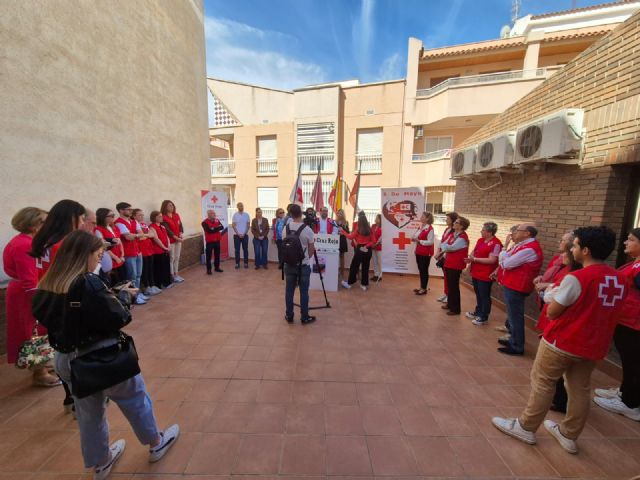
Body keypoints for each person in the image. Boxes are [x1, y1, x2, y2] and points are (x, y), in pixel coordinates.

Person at [32, 230, 179, 479]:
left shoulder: (48, 284)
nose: (99, 260)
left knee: (89, 414)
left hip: (68, 358)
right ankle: (156, 443)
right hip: (102, 356)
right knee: (135, 399)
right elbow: (119, 317)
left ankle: (101, 462)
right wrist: (124, 296)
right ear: (83, 255)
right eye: (98, 255)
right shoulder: (87, 282)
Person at [492, 226, 627, 454]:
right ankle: (569, 434)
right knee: (580, 389)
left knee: (543, 381)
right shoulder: (619, 278)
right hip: (594, 345)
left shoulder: (578, 278)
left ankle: (526, 426)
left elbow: (553, 312)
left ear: (584, 250)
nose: (571, 249)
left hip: (564, 341)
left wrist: (548, 294)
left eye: (574, 245)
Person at [3, 207, 60, 386]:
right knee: (32, 332)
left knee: (40, 330)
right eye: (44, 221)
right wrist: (39, 301)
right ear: (33, 224)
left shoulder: (29, 241)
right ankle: (39, 372)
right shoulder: (24, 244)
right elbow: (29, 279)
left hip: (29, 291)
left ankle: (42, 364)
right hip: (26, 294)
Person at [593, 227, 640, 421]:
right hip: (624, 319)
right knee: (629, 362)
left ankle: (630, 403)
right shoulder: (634, 263)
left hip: (634, 323)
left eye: (630, 240)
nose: (625, 243)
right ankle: (624, 391)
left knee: (634, 363)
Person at [535, 239, 581, 414]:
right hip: (579, 334)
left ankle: (529, 423)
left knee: (546, 376)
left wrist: (547, 290)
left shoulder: (576, 277)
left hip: (563, 331)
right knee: (578, 384)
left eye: (572, 247)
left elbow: (552, 305)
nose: (563, 253)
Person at [495, 223, 543, 355]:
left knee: (515, 316)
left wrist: (504, 249)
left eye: (517, 230)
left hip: (518, 286)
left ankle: (517, 346)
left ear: (527, 233)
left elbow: (506, 263)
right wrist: (505, 254)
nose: (514, 232)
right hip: (512, 283)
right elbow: (505, 258)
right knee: (512, 315)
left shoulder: (529, 249)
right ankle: (513, 338)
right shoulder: (521, 245)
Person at [31, 199, 86, 280]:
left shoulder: (43, 238)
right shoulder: (66, 242)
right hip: (60, 288)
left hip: (43, 285)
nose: (82, 222)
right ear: (72, 218)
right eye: (81, 218)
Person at [282, 204, 316, 324]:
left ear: (290, 214)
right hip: (303, 266)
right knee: (304, 292)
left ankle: (289, 315)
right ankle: (304, 317)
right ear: (301, 214)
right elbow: (312, 251)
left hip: (289, 265)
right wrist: (305, 257)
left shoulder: (285, 228)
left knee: (289, 291)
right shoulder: (308, 230)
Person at [465, 222, 502, 325]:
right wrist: (470, 259)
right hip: (476, 271)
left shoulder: (496, 243)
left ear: (489, 232)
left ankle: (483, 316)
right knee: (478, 293)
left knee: (484, 295)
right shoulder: (480, 240)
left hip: (486, 274)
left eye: (483, 230)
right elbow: (473, 251)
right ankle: (478, 312)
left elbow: (492, 260)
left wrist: (475, 259)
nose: (481, 231)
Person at [115, 202, 147, 305]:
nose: (130, 211)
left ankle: (137, 294)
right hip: (129, 253)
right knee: (131, 276)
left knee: (138, 275)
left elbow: (142, 235)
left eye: (131, 209)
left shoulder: (133, 221)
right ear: (121, 210)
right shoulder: (119, 223)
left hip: (138, 252)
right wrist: (137, 235)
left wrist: (135, 235)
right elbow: (127, 237)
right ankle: (133, 297)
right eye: (128, 209)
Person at [437, 217, 470, 315]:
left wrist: (446, 247)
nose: (454, 223)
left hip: (456, 265)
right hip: (449, 263)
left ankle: (455, 309)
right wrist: (446, 247)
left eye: (457, 222)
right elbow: (444, 244)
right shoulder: (453, 234)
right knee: (450, 285)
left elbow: (451, 248)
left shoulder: (463, 238)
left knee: (454, 287)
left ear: (461, 226)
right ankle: (450, 304)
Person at [340, 211, 375, 291]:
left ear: (359, 220)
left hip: (359, 249)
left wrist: (343, 231)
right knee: (365, 267)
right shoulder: (370, 229)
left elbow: (350, 237)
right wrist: (366, 246)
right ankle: (364, 285)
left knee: (354, 266)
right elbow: (373, 241)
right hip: (368, 250)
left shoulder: (358, 229)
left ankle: (349, 283)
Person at [133, 209, 161, 296]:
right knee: (144, 270)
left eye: (142, 215)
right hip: (142, 251)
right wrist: (146, 235)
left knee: (150, 269)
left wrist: (144, 235)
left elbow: (152, 234)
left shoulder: (144, 224)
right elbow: (139, 237)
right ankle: (146, 287)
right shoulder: (134, 225)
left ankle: (152, 285)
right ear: (134, 216)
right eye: (139, 215)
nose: (142, 217)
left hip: (149, 250)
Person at [95, 208, 125, 285]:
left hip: (119, 259)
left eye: (113, 215)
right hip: (112, 260)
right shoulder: (98, 229)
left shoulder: (114, 227)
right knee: (115, 283)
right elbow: (103, 246)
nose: (113, 217)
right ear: (103, 217)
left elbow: (119, 241)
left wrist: (122, 255)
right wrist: (115, 258)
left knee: (122, 281)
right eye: (111, 216)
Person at [436, 212, 458, 303]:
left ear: (452, 220)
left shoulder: (455, 231)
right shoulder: (446, 229)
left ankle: (449, 295)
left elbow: (450, 245)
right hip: (443, 255)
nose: (446, 220)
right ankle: (446, 293)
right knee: (445, 276)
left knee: (449, 278)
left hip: (447, 256)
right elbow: (442, 241)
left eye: (448, 218)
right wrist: (438, 251)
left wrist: (441, 253)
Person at [161, 200, 184, 283]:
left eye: (172, 205)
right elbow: (167, 230)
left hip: (178, 239)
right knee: (172, 258)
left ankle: (176, 274)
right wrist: (176, 237)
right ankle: (172, 275)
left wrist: (180, 233)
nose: (172, 207)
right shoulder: (163, 217)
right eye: (169, 205)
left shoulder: (176, 215)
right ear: (165, 207)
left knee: (177, 257)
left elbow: (180, 225)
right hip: (171, 241)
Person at [412, 212, 435, 295]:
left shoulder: (430, 229)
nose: (421, 217)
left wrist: (419, 241)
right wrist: (414, 238)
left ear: (427, 219)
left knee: (424, 270)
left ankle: (424, 289)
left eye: (423, 216)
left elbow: (430, 242)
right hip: (419, 251)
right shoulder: (421, 227)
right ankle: (421, 287)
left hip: (426, 253)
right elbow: (417, 236)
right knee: (421, 270)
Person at [149, 211, 172, 289]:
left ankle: (167, 282)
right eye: (159, 216)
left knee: (166, 266)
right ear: (154, 217)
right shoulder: (152, 227)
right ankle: (159, 284)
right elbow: (156, 239)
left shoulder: (162, 226)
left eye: (161, 216)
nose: (161, 218)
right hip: (158, 251)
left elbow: (167, 237)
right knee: (159, 268)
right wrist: (164, 247)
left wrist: (168, 246)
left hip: (165, 250)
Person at [201, 209, 224, 275]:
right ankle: (208, 270)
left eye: (214, 213)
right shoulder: (204, 222)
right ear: (209, 214)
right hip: (209, 242)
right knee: (209, 257)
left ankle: (217, 268)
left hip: (217, 241)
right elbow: (209, 231)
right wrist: (216, 228)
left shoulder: (217, 220)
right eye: (213, 213)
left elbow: (222, 227)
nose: (214, 214)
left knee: (217, 255)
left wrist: (213, 228)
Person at [232, 202, 250, 269]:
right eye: (239, 206)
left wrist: (244, 233)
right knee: (237, 250)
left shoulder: (247, 215)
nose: (241, 207)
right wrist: (238, 234)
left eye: (242, 206)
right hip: (237, 236)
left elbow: (248, 225)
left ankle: (246, 263)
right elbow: (233, 226)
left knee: (245, 250)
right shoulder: (235, 215)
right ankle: (237, 263)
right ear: (237, 207)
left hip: (245, 235)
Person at [334, 209, 350, 282]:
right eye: (338, 213)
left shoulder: (346, 222)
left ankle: (342, 272)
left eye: (340, 213)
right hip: (335, 240)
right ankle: (335, 271)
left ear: (343, 214)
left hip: (342, 240)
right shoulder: (334, 222)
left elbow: (348, 232)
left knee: (342, 257)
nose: (339, 214)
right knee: (335, 256)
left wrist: (343, 231)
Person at [371, 214, 383, 282]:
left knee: (379, 261)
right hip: (372, 246)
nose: (375, 219)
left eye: (377, 218)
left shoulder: (382, 227)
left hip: (379, 247)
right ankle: (376, 274)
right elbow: (370, 234)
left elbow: (381, 237)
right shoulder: (373, 226)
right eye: (376, 218)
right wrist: (372, 244)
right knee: (374, 261)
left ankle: (380, 276)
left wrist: (376, 244)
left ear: (380, 220)